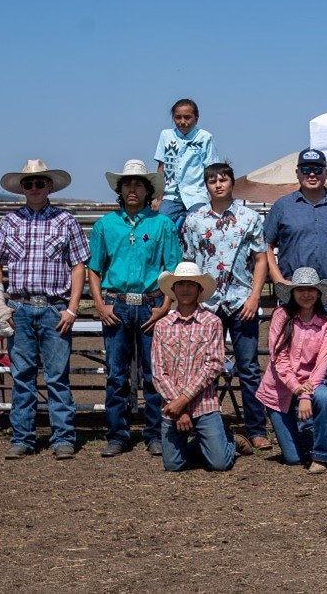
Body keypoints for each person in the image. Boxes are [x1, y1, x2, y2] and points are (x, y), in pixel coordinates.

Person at [0, 159, 89, 460]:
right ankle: (23, 438)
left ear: (49, 186)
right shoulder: (9, 222)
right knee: (23, 376)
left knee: (57, 376)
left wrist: (71, 309)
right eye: (29, 184)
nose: (34, 188)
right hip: (20, 306)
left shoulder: (66, 221)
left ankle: (62, 438)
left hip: (54, 307)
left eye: (39, 183)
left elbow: (78, 266)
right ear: (22, 188)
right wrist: (0, 305)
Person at [87, 159, 183, 458]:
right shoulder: (105, 225)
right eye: (127, 184)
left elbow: (173, 268)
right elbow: (94, 268)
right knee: (116, 374)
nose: (132, 189)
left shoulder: (162, 224)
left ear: (147, 190)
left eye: (138, 184)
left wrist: (166, 306)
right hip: (116, 303)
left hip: (151, 304)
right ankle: (118, 435)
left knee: (154, 374)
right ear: (120, 189)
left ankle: (155, 434)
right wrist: (100, 303)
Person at [180, 162, 271, 450]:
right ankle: (207, 425)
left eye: (223, 179)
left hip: (241, 300)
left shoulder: (250, 218)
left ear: (232, 182)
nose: (218, 184)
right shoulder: (194, 220)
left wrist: (255, 296)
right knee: (205, 367)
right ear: (205, 185)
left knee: (248, 366)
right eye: (212, 180)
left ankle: (256, 429)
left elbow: (260, 259)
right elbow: (189, 263)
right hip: (207, 303)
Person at [151, 262, 250, 472]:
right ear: (174, 289)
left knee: (220, 464)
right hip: (172, 406)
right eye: (181, 284)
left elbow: (213, 365)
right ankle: (211, 443)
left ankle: (228, 441)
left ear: (199, 290)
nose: (186, 289)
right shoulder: (162, 326)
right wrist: (177, 407)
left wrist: (182, 401)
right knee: (173, 465)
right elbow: (158, 372)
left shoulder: (212, 322)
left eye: (191, 284)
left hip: (203, 404)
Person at [264, 148, 327, 333]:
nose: (312, 174)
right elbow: (266, 247)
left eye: (318, 169)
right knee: (289, 355)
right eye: (306, 169)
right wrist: (279, 282)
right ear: (297, 173)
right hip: (292, 294)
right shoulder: (282, 206)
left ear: (326, 173)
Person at [256, 267, 327, 473]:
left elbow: (323, 362)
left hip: (312, 382)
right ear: (293, 293)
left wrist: (306, 393)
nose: (306, 294)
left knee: (324, 397)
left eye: (311, 289)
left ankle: (321, 454)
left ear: (318, 293)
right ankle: (308, 437)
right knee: (293, 458)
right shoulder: (280, 315)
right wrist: (299, 391)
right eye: (301, 289)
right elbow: (278, 359)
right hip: (279, 389)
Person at [152, 98, 221, 229]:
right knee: (160, 223)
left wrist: (214, 199)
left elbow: (211, 170)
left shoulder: (205, 137)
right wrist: (158, 198)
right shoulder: (166, 135)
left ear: (196, 118)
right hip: (170, 196)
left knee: (201, 225)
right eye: (178, 117)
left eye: (187, 117)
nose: (182, 122)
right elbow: (161, 168)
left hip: (196, 194)